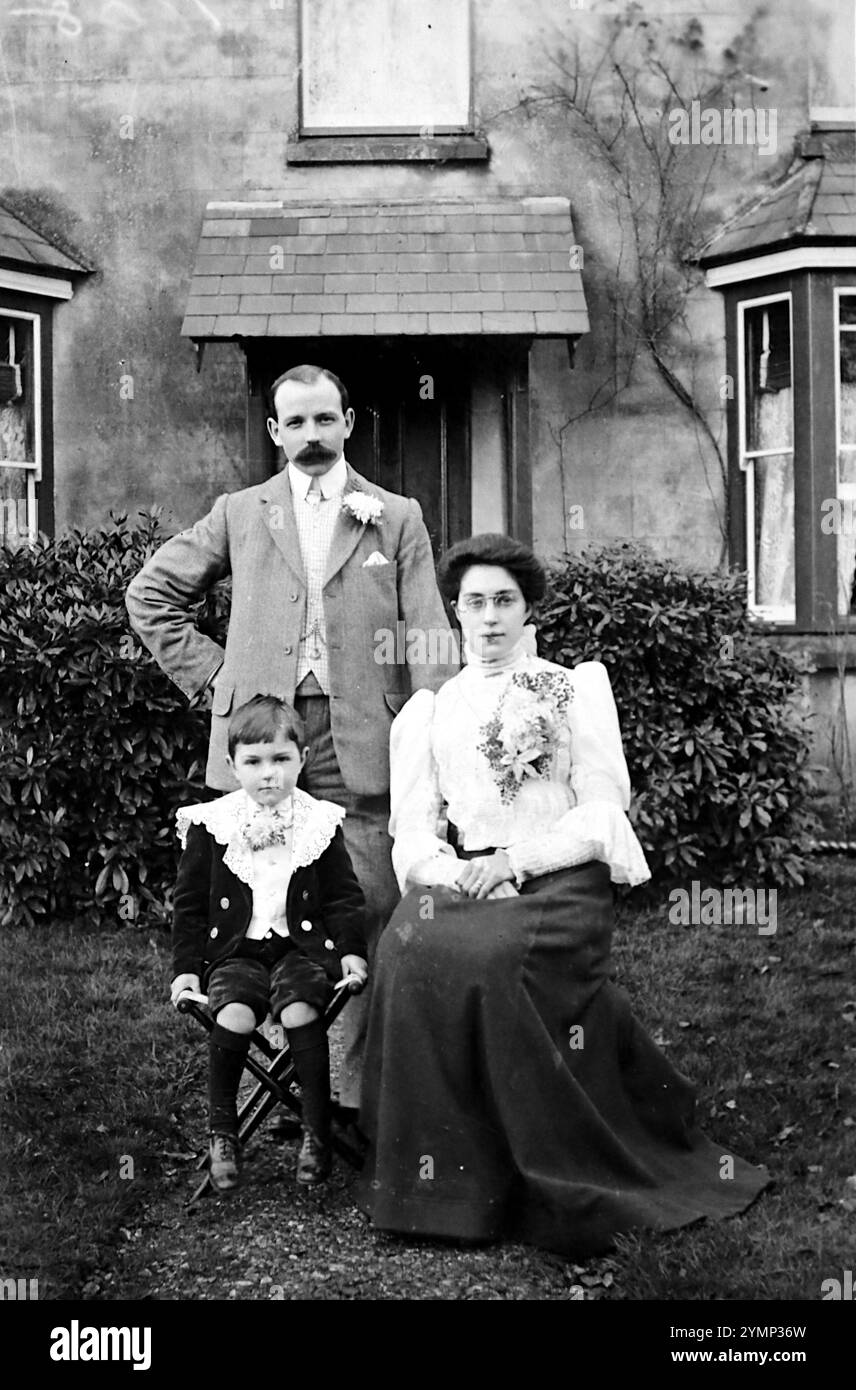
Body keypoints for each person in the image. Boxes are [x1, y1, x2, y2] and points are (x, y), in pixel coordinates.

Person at [356, 533, 769, 1255]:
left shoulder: (570, 687)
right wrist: (459, 872)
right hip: (470, 878)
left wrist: (522, 856)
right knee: (403, 945)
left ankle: (540, 1172)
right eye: (475, 603)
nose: (489, 619)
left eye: (504, 602)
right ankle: (438, 1189)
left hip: (560, 877)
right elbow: (413, 835)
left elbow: (603, 808)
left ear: (528, 609)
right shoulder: (431, 709)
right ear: (454, 611)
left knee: (494, 960)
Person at [126, 365, 457, 1113]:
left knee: (364, 902)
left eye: (324, 420)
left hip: (359, 740)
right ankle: (275, 1091)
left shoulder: (395, 516)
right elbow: (150, 595)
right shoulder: (241, 512)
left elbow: (431, 636)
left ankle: (350, 1091)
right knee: (250, 906)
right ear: (275, 432)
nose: (311, 436)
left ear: (348, 423)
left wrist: (432, 732)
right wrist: (221, 682)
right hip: (262, 741)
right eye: (295, 423)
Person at [170, 694, 368, 1191]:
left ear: (302, 760)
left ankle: (316, 1132)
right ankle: (223, 1132)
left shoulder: (319, 821)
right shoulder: (213, 824)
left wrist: (350, 950)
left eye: (281, 759)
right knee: (234, 1013)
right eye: (254, 762)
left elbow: (344, 898)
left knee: (302, 1010)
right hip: (236, 952)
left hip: (300, 949)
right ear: (233, 766)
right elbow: (190, 905)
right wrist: (187, 968)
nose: (269, 774)